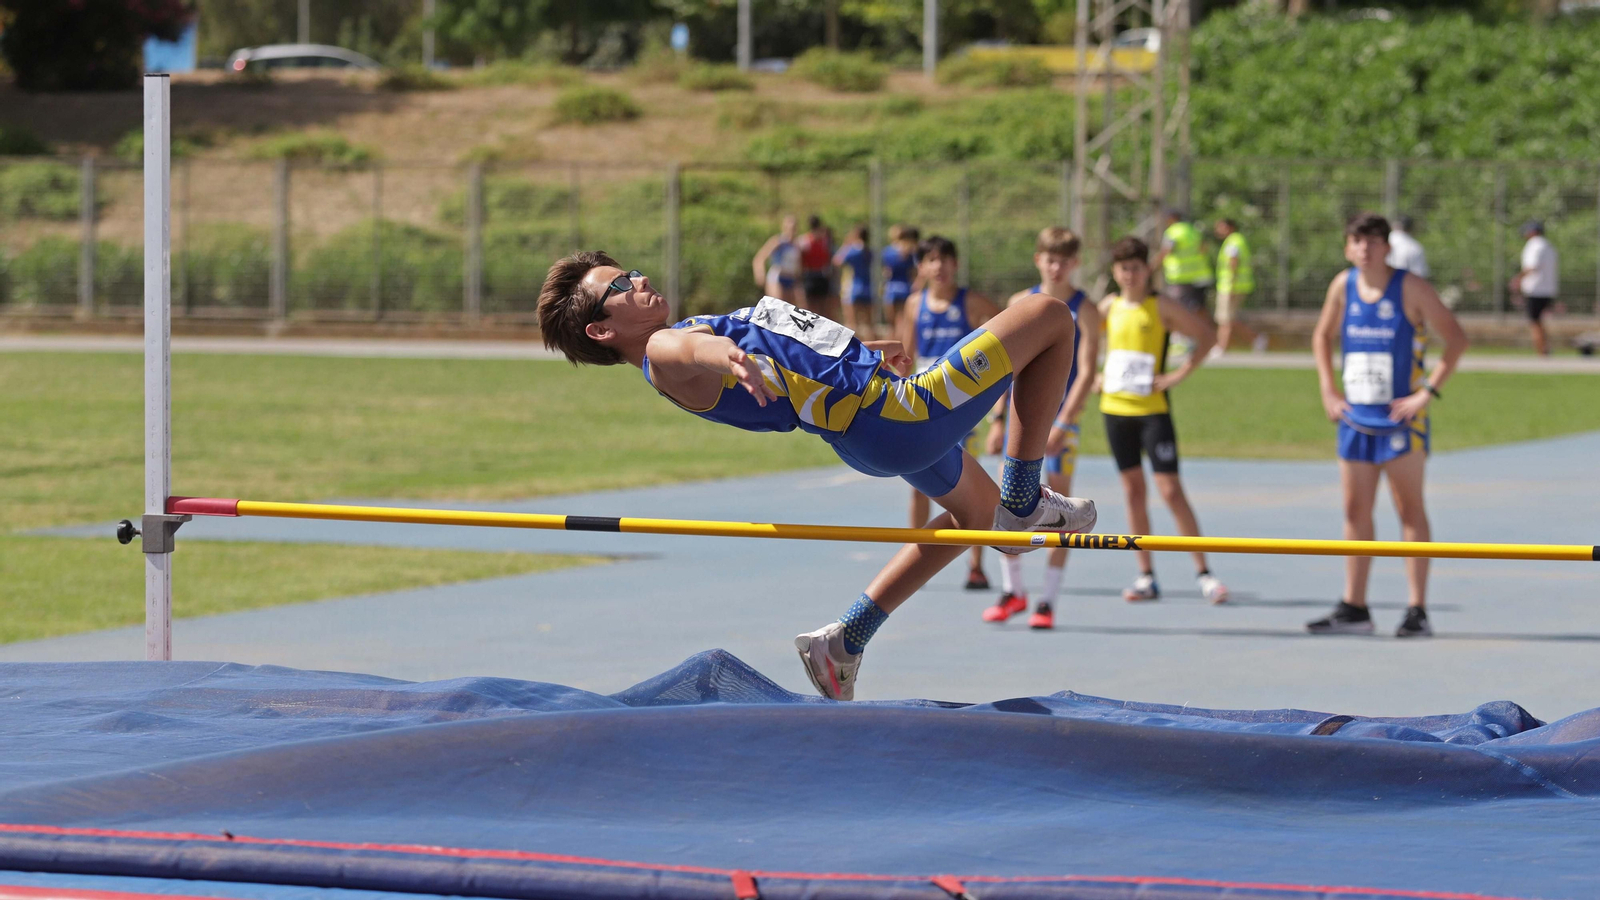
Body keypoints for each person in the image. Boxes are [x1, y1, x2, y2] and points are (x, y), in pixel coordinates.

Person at [537, 251, 1096, 701]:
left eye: (633, 272)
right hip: (894, 415)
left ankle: (846, 639)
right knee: (1048, 315)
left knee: (977, 516)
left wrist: (858, 352)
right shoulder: (665, 348)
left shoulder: (680, 334)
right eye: (621, 288)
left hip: (868, 431)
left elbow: (791, 355)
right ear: (603, 331)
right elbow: (691, 349)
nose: (640, 280)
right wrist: (724, 354)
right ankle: (1024, 499)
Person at [1306, 213, 1467, 638]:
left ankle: (1417, 609)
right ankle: (1355, 606)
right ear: (1347, 247)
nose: (1364, 249)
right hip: (1355, 418)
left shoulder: (1411, 288)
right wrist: (1327, 388)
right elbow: (1322, 336)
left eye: (1373, 242)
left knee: (1408, 509)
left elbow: (1456, 338)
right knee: (1355, 510)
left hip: (1400, 421)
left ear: (1387, 247)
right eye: (1356, 241)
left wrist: (1425, 393)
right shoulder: (1343, 286)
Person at [980, 227, 1101, 630]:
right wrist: (998, 420)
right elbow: (1003, 370)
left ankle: (1048, 600)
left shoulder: (1085, 310)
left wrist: (1065, 422)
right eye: (1050, 258)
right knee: (1005, 500)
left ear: (1075, 264)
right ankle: (1013, 590)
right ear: (1038, 260)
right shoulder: (1020, 303)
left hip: (1061, 422)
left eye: (1065, 260)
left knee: (1061, 508)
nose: (1057, 266)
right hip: (1021, 417)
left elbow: (1086, 371)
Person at [1099, 236, 1228, 605]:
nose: (1130, 275)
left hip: (1152, 411)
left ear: (1147, 270)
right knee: (1132, 491)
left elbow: (1206, 337)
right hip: (1115, 410)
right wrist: (1095, 376)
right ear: (1115, 272)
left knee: (1170, 490)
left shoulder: (1161, 306)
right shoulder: (1108, 307)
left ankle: (1204, 573)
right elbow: (1089, 345)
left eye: (1137, 268)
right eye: (1123, 269)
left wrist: (1176, 376)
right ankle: (1145, 574)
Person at [899, 235, 1004, 591]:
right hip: (921, 405)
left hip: (959, 406)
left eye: (945, 259)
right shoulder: (915, 304)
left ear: (955, 264)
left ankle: (975, 565)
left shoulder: (971, 303)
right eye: (930, 259)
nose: (939, 266)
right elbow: (905, 355)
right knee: (917, 484)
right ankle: (913, 561)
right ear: (922, 267)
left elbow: (1005, 337)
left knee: (966, 487)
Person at [1211, 218, 1267, 357]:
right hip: (1233, 285)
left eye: (1221, 227)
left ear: (1230, 227)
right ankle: (1257, 339)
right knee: (1229, 318)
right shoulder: (1235, 240)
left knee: (1225, 319)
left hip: (1231, 286)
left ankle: (1221, 347)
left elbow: (1233, 263)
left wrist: (1231, 285)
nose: (1218, 230)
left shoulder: (1233, 242)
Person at [1152, 209, 1214, 316]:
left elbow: (1166, 251)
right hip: (1200, 275)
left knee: (1178, 309)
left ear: (1171, 219)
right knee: (1198, 308)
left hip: (1181, 276)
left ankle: (1183, 331)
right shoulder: (1193, 230)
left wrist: (1152, 266)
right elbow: (1204, 248)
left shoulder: (1173, 232)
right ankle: (1206, 330)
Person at [1513, 220, 1558, 357]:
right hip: (1548, 289)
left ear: (1532, 231)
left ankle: (1542, 351)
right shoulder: (1549, 246)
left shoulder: (1534, 245)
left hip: (1535, 289)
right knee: (1539, 320)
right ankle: (1545, 348)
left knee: (1534, 321)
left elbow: (1531, 266)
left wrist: (1518, 279)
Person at [833, 224, 875, 337]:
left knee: (851, 323)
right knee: (868, 323)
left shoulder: (853, 251)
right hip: (867, 288)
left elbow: (837, 261)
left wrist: (846, 244)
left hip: (854, 288)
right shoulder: (868, 251)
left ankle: (855, 352)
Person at [751, 216, 801, 309]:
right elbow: (760, 258)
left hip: (791, 278)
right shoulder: (778, 241)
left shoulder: (796, 244)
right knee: (778, 307)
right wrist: (760, 274)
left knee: (792, 310)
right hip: (777, 277)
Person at [880, 225, 920, 336]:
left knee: (891, 323)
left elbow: (886, 272)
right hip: (906, 287)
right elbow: (914, 272)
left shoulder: (887, 251)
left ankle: (890, 347)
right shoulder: (911, 252)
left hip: (891, 288)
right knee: (903, 321)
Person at [797, 215, 836, 317]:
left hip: (811, 274)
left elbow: (801, 259)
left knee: (810, 307)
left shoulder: (804, 240)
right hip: (820, 274)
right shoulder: (824, 240)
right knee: (822, 307)